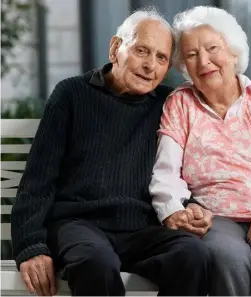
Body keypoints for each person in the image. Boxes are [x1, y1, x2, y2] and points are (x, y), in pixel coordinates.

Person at [11, 8, 211, 296]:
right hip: (79, 225)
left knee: (193, 255)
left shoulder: (169, 103)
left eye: (161, 58)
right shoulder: (71, 94)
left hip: (144, 227)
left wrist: (192, 206)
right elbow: (37, 182)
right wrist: (30, 245)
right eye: (142, 50)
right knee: (96, 262)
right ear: (116, 47)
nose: (150, 66)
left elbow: (181, 170)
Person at [150, 6, 251, 296]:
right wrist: (174, 209)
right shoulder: (180, 104)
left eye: (212, 48)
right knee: (227, 260)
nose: (204, 61)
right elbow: (166, 171)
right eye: (191, 54)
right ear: (183, 66)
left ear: (233, 52)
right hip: (215, 218)